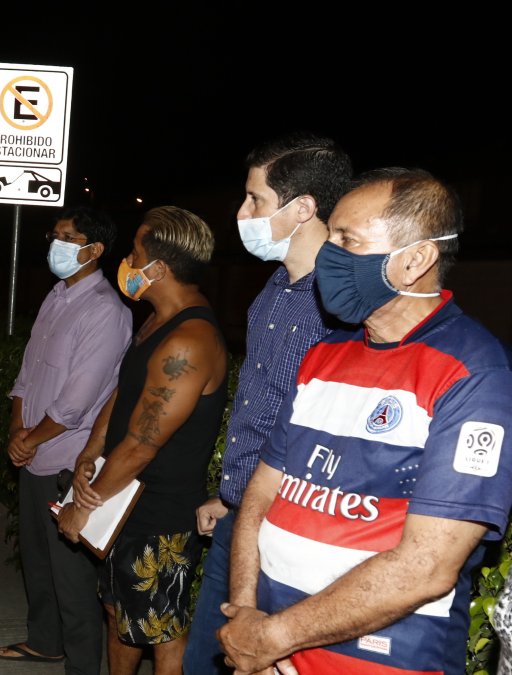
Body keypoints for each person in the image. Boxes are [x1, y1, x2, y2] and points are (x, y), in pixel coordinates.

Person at [217, 168, 512, 674]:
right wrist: (248, 619)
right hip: (269, 652)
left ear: (416, 259)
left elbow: (428, 566)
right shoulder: (324, 355)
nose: (326, 254)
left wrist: (273, 635)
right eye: (329, 236)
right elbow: (261, 497)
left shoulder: (473, 372)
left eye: (346, 240)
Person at [183, 132, 353, 674]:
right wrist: (230, 494)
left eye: (255, 199)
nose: (243, 212)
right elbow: (264, 408)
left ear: (304, 207)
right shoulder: (274, 288)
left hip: (292, 531)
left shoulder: (342, 308)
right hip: (242, 518)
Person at [57, 205, 227, 675]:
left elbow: (141, 442)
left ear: (159, 268)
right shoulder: (156, 321)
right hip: (125, 502)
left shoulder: (188, 340)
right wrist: (91, 450)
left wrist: (82, 508)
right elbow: (125, 392)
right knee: (119, 614)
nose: (127, 262)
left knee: (159, 628)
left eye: (134, 253)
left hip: (159, 514)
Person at [0, 205, 133, 674]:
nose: (55, 243)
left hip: (66, 462)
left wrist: (30, 439)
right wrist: (18, 429)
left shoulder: (107, 313)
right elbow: (27, 374)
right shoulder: (57, 295)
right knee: (37, 561)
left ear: (93, 250)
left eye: (67, 237)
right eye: (54, 234)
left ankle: (80, 665)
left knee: (72, 578)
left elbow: (76, 402)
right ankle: (44, 641)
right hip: (33, 452)